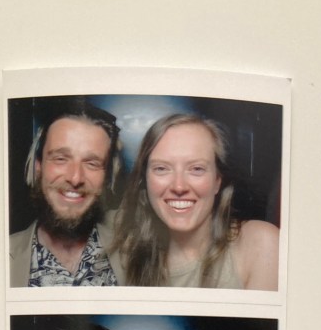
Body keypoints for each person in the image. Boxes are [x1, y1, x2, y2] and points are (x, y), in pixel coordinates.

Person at [110, 113, 279, 290]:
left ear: (217, 181)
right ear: (145, 180)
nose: (179, 186)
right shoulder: (117, 240)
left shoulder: (259, 244)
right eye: (161, 168)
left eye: (197, 169)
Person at [9, 99, 121, 286]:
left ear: (107, 176)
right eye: (61, 158)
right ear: (38, 167)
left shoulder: (132, 249)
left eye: (92, 163)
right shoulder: (0, 256)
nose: (75, 178)